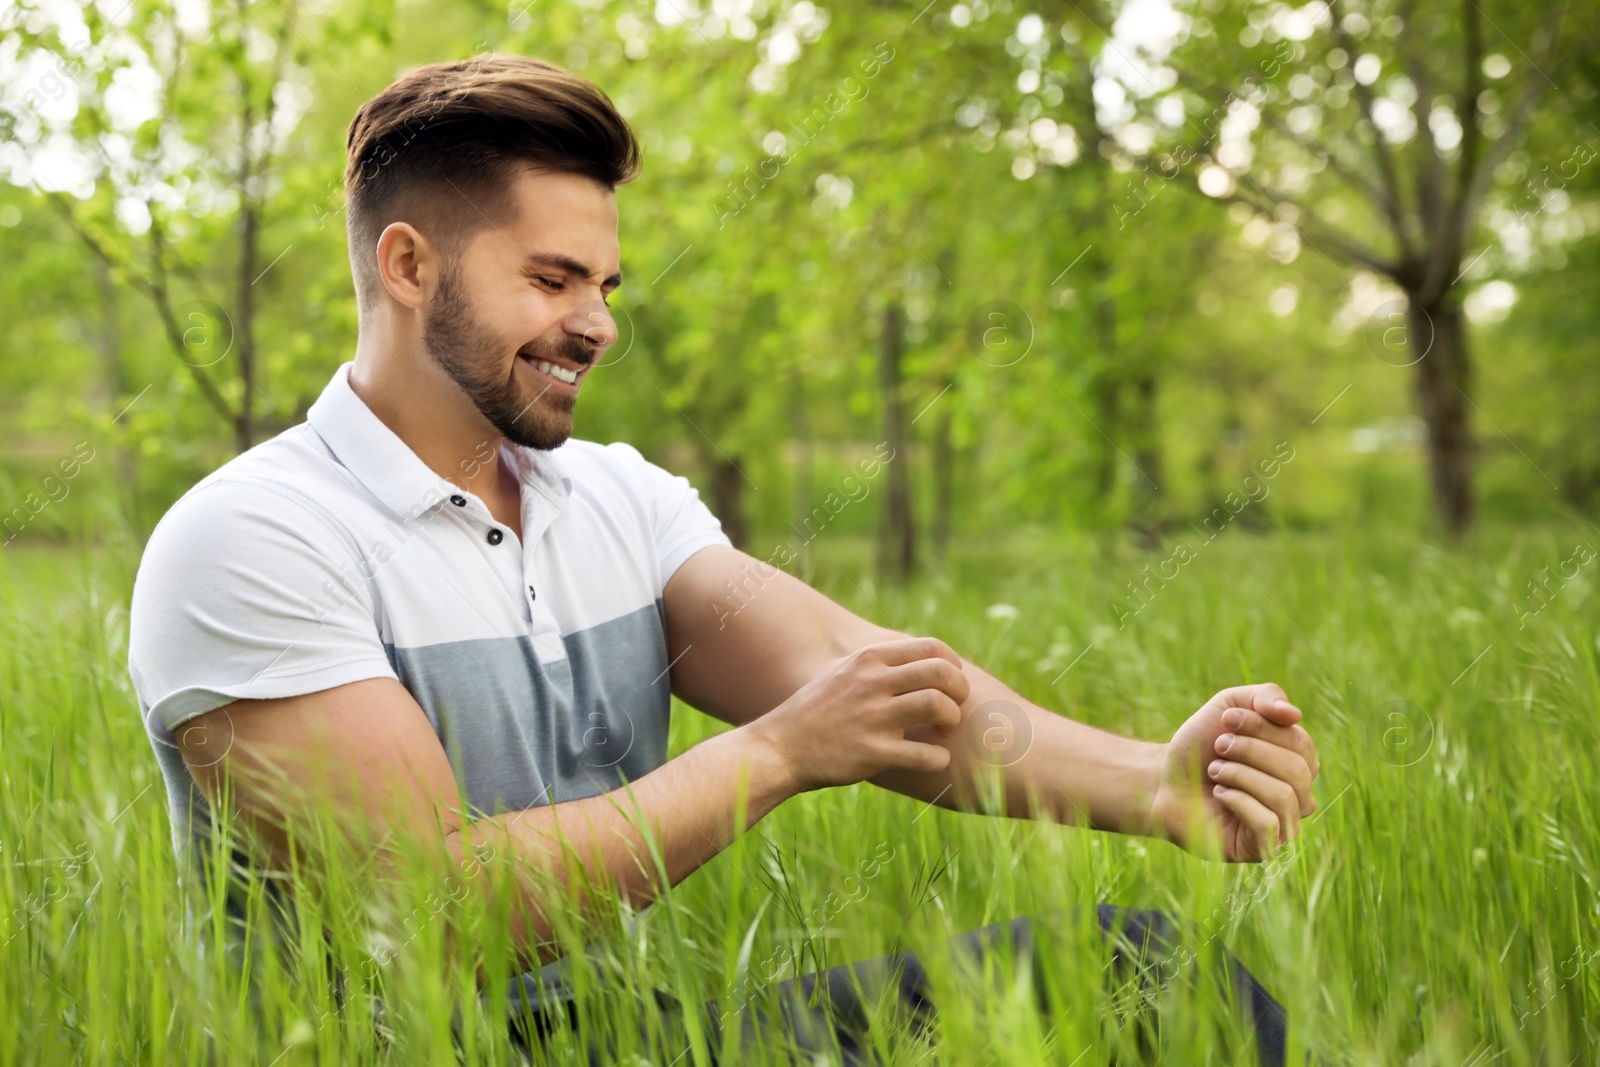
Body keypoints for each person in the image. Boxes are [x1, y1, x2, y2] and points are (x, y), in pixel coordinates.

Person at [127, 54, 1320, 1065]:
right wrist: (781, 754)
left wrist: (1151, 787)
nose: (596, 323)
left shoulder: (618, 499)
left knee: (1137, 969)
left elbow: (863, 674)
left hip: (635, 1035)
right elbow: (432, 919)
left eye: (602, 283)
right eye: (549, 279)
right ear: (407, 267)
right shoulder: (253, 538)